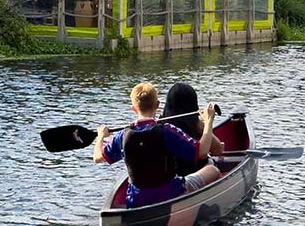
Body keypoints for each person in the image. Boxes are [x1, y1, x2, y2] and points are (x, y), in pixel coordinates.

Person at [92, 82, 221, 209]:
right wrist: (209, 121)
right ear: (157, 105)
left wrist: (100, 137)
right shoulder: (167, 131)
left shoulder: (122, 136)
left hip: (136, 201)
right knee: (213, 170)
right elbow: (202, 152)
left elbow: (97, 157)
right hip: (170, 195)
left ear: (133, 108)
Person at [162, 82, 225, 177]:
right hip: (193, 175)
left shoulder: (161, 125)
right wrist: (207, 123)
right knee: (213, 167)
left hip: (170, 176)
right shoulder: (196, 125)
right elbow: (218, 150)